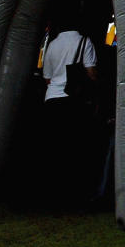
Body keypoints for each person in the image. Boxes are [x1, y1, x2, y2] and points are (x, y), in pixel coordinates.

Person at [41, 11, 98, 209]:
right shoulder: (84, 42)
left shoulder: (52, 45)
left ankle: (54, 193)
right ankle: (75, 195)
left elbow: (47, 77)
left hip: (52, 99)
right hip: (73, 101)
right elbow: (90, 73)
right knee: (75, 148)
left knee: (54, 149)